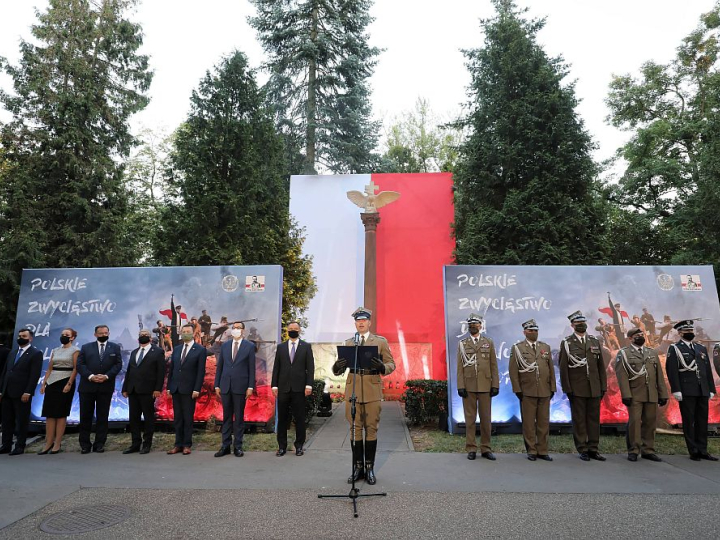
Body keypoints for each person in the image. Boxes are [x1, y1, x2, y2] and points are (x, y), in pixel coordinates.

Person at [332, 307, 395, 485]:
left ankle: (369, 468)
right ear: (355, 323)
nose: (361, 323)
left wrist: (382, 367)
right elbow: (338, 370)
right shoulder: (349, 343)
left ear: (369, 322)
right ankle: (357, 467)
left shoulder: (380, 342)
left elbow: (391, 363)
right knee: (354, 429)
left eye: (364, 320)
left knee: (371, 429)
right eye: (358, 320)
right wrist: (337, 366)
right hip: (353, 391)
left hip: (372, 390)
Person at [559, 311, 607, 462]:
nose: (581, 325)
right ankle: (582, 448)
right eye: (578, 323)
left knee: (594, 419)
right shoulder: (567, 343)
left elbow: (601, 367)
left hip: (594, 387)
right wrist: (567, 389)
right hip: (577, 388)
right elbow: (563, 368)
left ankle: (593, 448)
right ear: (572, 325)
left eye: (583, 322)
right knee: (579, 420)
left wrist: (603, 386)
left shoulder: (594, 341)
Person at [614, 327, 668, 462]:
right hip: (634, 394)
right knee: (634, 423)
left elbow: (659, 376)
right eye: (636, 335)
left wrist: (663, 394)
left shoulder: (651, 353)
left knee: (650, 422)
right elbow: (622, 375)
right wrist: (626, 394)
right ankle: (633, 450)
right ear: (630, 338)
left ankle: (648, 450)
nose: (640, 336)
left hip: (651, 393)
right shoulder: (624, 353)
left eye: (641, 334)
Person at [666, 320, 717, 461]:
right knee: (689, 420)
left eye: (691, 331)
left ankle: (703, 450)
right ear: (680, 333)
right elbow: (672, 371)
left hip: (702, 390)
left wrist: (711, 388)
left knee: (702, 420)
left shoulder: (700, 348)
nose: (690, 333)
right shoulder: (675, 348)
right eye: (687, 331)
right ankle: (693, 450)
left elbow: (707, 370)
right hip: (687, 389)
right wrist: (676, 390)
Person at [509, 319, 555, 462]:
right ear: (525, 332)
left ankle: (543, 450)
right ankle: (531, 450)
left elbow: (551, 369)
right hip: (527, 390)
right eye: (530, 330)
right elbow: (513, 370)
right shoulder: (518, 348)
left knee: (543, 422)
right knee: (529, 423)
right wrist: (517, 389)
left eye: (535, 330)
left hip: (544, 389)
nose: (533, 333)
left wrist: (552, 387)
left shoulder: (545, 347)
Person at [456, 313, 499, 462]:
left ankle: (486, 448)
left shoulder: (488, 342)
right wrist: (460, 386)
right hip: (469, 386)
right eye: (470, 325)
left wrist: (495, 385)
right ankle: (471, 448)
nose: (472, 327)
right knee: (470, 419)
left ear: (480, 326)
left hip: (486, 386)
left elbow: (493, 365)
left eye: (475, 324)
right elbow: (460, 367)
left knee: (486, 419)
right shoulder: (463, 344)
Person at [76, 325, 122, 454]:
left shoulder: (115, 347)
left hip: (105, 386)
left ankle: (99, 444)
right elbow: (80, 365)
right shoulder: (86, 347)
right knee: (85, 416)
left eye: (106, 333)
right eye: (100, 333)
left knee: (103, 416)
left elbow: (118, 365)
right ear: (95, 334)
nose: (103, 335)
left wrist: (106, 376)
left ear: (109, 333)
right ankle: (85, 444)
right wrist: (91, 376)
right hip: (87, 387)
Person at [271, 321, 315, 456]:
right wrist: (274, 385)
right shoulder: (281, 347)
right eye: (291, 328)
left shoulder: (306, 347)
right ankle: (282, 446)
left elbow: (310, 367)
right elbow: (276, 367)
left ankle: (299, 446)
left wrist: (309, 385)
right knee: (283, 419)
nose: (293, 330)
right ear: (287, 330)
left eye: (295, 329)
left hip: (299, 389)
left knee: (299, 418)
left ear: (299, 330)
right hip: (283, 388)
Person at [214, 321, 255, 457]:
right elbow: (220, 366)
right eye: (234, 328)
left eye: (238, 328)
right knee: (226, 417)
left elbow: (251, 369)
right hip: (225, 386)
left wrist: (250, 387)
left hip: (240, 387)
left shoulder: (249, 346)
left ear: (243, 330)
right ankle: (225, 446)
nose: (236, 329)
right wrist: (217, 385)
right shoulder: (225, 346)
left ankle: (238, 446)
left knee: (238, 418)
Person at [121, 328, 166, 454]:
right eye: (141, 335)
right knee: (133, 418)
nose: (143, 336)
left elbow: (161, 372)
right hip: (133, 390)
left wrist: (157, 389)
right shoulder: (134, 352)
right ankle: (135, 444)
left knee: (148, 418)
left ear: (150, 338)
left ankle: (147, 444)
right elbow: (129, 371)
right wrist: (125, 388)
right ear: (138, 337)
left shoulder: (157, 352)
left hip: (148, 391)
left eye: (146, 335)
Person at [0, 328, 43, 455]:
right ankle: (6, 445)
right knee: (6, 420)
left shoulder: (35, 353)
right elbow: (5, 372)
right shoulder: (12, 353)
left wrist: (28, 391)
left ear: (30, 338)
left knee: (21, 420)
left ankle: (20, 445)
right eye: (19, 335)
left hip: (22, 393)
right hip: (7, 391)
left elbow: (34, 375)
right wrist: (1, 390)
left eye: (23, 336)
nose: (20, 338)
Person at [166, 324, 207, 455]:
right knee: (177, 418)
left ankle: (187, 445)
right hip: (176, 388)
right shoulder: (177, 349)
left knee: (188, 417)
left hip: (190, 389)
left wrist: (197, 388)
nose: (185, 334)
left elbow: (201, 372)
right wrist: (169, 387)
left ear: (193, 333)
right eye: (183, 332)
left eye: (188, 331)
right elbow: (172, 369)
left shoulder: (200, 350)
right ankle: (177, 444)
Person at [38, 328, 79, 454]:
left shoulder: (76, 350)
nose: (64, 336)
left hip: (65, 381)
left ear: (72, 337)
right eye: (62, 335)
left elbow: (75, 369)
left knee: (61, 414)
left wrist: (69, 383)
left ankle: (57, 443)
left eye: (67, 335)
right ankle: (48, 443)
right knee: (49, 414)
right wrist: (44, 383)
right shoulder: (55, 350)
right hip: (52, 382)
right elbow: (50, 368)